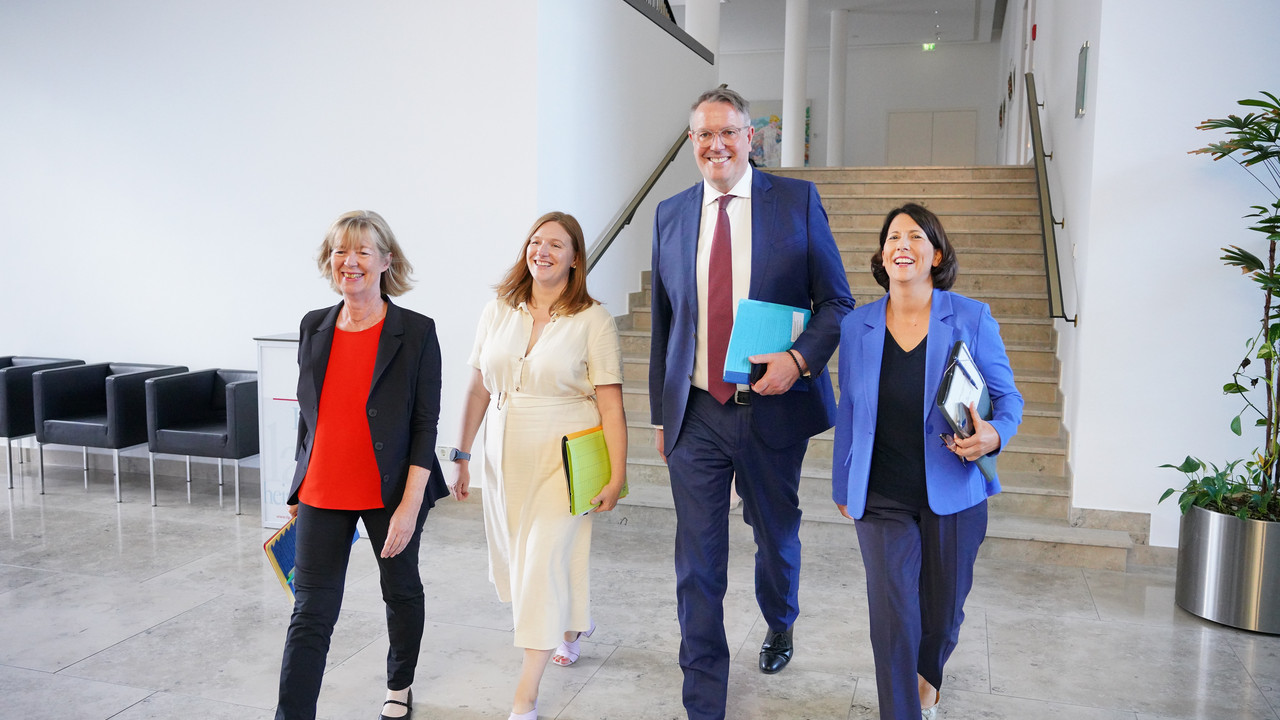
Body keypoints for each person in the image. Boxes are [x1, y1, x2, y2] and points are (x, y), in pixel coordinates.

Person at [648, 87, 855, 720]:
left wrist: (797, 362)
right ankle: (704, 697)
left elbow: (837, 302)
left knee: (774, 531)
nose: (716, 145)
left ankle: (781, 617)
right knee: (698, 558)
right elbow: (665, 321)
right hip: (699, 413)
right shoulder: (671, 213)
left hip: (772, 407)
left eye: (728, 133)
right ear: (691, 143)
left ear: (750, 137)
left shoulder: (795, 202)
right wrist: (663, 412)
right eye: (704, 135)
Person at [832, 203, 1024, 720]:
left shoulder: (970, 316)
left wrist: (993, 437)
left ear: (935, 254)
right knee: (893, 616)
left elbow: (1010, 402)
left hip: (954, 490)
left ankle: (929, 677)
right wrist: (841, 483)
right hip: (882, 495)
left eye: (915, 236)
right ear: (881, 254)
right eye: (893, 236)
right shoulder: (858, 326)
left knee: (941, 616)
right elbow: (849, 407)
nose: (903, 244)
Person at [447, 211, 627, 720]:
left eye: (556, 244)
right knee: (519, 561)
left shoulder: (594, 319)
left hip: (565, 454)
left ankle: (524, 695)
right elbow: (479, 388)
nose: (542, 250)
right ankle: (569, 627)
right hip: (503, 453)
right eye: (535, 241)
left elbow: (611, 404)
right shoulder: (498, 310)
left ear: (575, 259)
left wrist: (616, 474)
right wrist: (460, 455)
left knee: (541, 562)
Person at [275, 210, 449, 720]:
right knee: (310, 612)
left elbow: (425, 424)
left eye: (361, 252)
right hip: (322, 489)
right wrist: (297, 487)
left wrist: (410, 506)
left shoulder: (416, 332)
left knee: (400, 590)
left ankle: (399, 684)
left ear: (385, 261)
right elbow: (309, 415)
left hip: (390, 492)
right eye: (339, 252)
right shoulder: (314, 326)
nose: (349, 262)